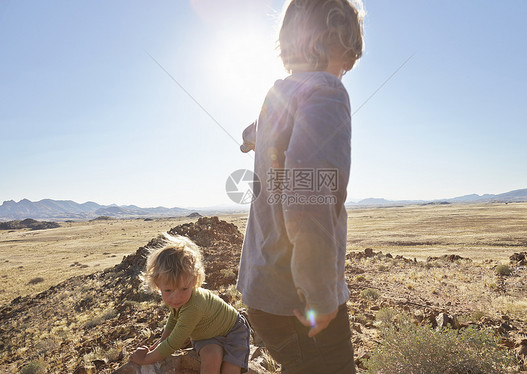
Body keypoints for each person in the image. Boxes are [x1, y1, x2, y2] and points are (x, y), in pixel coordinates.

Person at [237, 0, 364, 373]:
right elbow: (307, 195)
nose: (349, 66)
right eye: (350, 53)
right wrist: (321, 295)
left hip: (260, 291)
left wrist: (251, 138)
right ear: (340, 38)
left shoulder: (276, 95)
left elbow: (257, 133)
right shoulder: (327, 90)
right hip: (296, 297)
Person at [129, 234, 250, 374]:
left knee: (230, 370)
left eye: (184, 289)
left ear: (194, 280)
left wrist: (145, 359)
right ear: (158, 285)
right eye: (168, 290)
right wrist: (154, 348)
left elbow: (173, 343)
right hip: (206, 336)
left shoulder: (193, 307)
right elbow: (173, 320)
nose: (176, 298)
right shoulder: (177, 301)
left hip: (233, 331)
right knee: (211, 358)